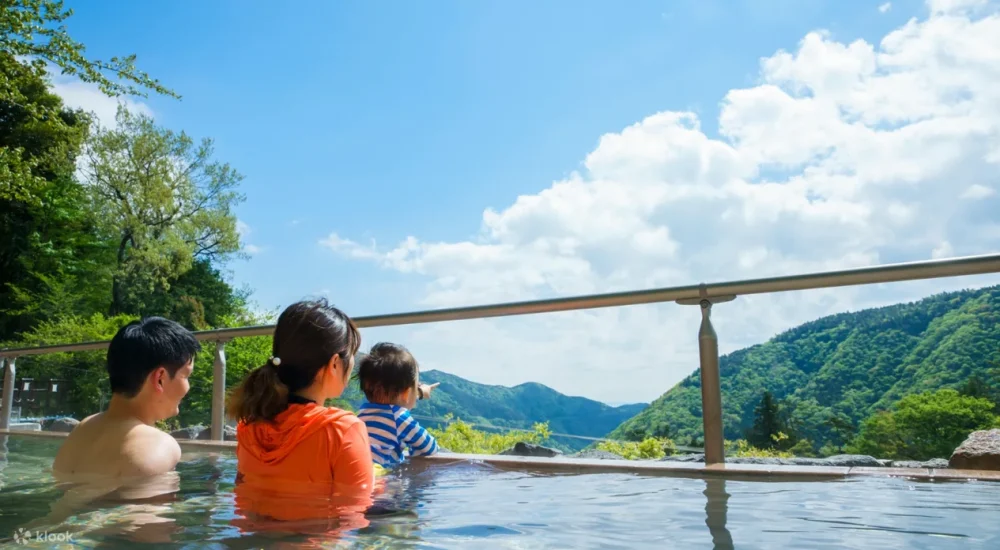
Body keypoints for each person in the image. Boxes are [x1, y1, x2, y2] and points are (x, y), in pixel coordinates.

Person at [226, 299, 375, 526]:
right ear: (335, 363)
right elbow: (353, 516)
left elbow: (243, 495)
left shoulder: (248, 427)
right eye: (352, 354)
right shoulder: (342, 429)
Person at [52, 317, 201, 479]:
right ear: (160, 378)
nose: (188, 387)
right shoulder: (159, 446)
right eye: (186, 376)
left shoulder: (83, 428)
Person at [356, 342, 440, 467]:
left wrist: (418, 392)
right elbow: (429, 447)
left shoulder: (361, 414)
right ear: (406, 392)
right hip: (381, 479)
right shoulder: (398, 418)